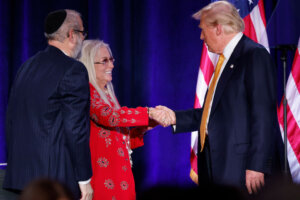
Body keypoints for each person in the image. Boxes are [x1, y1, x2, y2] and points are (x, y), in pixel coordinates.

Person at [155, 1, 283, 195]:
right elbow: (213, 114)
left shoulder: (253, 55)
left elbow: (263, 115)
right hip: (213, 165)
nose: (200, 36)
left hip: (240, 167)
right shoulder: (225, 60)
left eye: (203, 29)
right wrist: (175, 117)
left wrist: (257, 165)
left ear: (218, 28)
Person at [3, 9, 93, 200]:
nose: (83, 40)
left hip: (21, 178)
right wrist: (84, 179)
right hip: (55, 183)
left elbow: (11, 120)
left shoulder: (26, 66)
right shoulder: (73, 69)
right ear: (72, 34)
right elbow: (75, 129)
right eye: (83, 33)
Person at [79, 39, 159, 200]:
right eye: (104, 61)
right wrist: (148, 113)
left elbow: (122, 142)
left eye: (111, 59)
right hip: (102, 178)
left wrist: (146, 124)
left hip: (120, 176)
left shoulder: (106, 94)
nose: (111, 66)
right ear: (88, 64)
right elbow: (110, 118)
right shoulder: (86, 91)